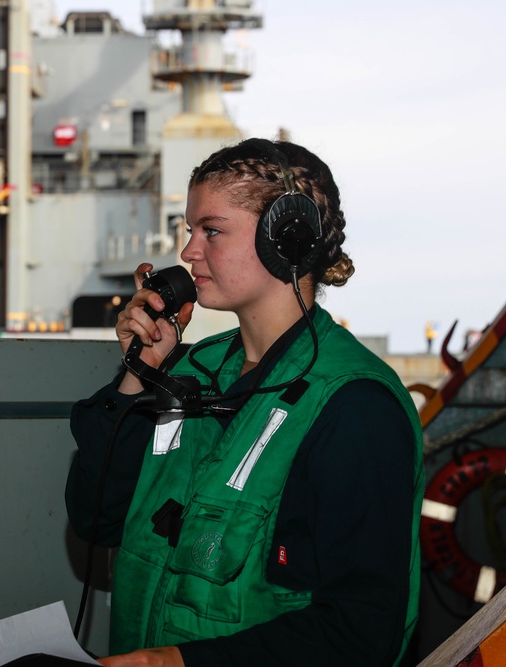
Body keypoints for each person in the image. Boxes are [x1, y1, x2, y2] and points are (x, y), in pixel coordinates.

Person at [65, 138, 424, 667]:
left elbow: (359, 632)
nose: (188, 252)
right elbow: (97, 520)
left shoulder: (353, 407)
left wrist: (173, 663)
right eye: (191, 232)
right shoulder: (189, 371)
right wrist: (140, 375)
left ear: (287, 238)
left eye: (211, 231)